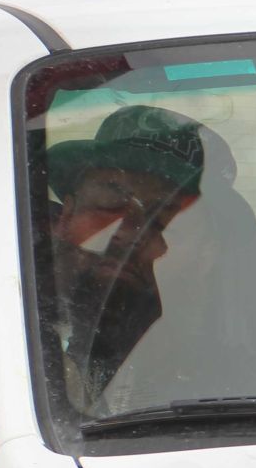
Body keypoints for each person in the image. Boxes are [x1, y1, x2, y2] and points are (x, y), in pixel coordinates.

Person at [44, 104, 225, 408]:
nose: (125, 232)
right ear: (67, 217)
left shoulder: (242, 394)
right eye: (109, 203)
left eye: (162, 220)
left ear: (207, 253)